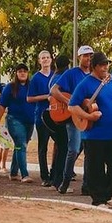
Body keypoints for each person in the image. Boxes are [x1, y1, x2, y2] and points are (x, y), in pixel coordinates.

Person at [69, 52, 112, 208]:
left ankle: (107, 195)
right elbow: (72, 106)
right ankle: (98, 199)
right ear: (94, 67)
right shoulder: (86, 83)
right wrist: (88, 117)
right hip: (94, 135)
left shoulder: (110, 82)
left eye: (106, 65)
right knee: (96, 168)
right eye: (102, 65)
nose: (105, 68)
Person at [50, 45, 93, 194]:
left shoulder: (94, 75)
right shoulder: (72, 73)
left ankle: (87, 185)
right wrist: (69, 102)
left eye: (90, 56)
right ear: (79, 57)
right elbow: (54, 90)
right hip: (73, 117)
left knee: (89, 150)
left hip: (88, 117)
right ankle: (65, 181)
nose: (88, 58)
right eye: (85, 55)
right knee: (73, 149)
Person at [0, 63, 35, 183]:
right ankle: (25, 174)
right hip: (14, 120)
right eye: (20, 71)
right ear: (16, 74)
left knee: (20, 146)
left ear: (28, 73)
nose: (22, 73)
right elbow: (1, 105)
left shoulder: (31, 86)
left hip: (29, 121)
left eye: (25, 71)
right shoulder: (10, 87)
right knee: (21, 144)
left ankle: (13, 172)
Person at [26, 50, 54, 187]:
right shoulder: (36, 78)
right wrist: (46, 97)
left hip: (56, 115)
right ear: (39, 61)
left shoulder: (56, 76)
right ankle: (45, 176)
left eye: (47, 57)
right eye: (43, 58)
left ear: (51, 59)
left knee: (61, 144)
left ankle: (56, 173)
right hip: (42, 116)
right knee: (43, 147)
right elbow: (29, 98)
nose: (45, 60)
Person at [46, 55, 70, 190]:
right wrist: (67, 101)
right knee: (64, 148)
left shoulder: (54, 77)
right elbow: (53, 95)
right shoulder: (61, 78)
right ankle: (58, 179)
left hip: (56, 115)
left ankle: (55, 176)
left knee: (61, 147)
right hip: (61, 115)